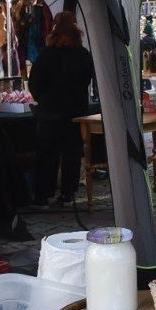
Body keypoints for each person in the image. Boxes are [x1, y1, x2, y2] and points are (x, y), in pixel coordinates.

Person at [28, 11, 95, 208]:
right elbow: (86, 80)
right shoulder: (83, 54)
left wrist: (43, 99)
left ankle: (42, 197)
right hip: (75, 111)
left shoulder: (47, 54)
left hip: (50, 111)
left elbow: (35, 82)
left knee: (47, 155)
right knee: (71, 155)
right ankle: (68, 194)